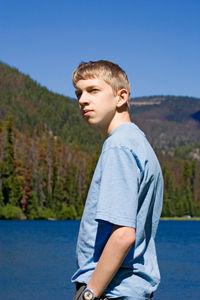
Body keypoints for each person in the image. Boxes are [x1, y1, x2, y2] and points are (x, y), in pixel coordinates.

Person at [71, 60, 163, 300]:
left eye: (93, 90)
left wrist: (90, 293)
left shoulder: (118, 146)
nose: (82, 99)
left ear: (121, 97)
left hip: (111, 291)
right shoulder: (138, 143)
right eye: (78, 93)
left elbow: (124, 234)